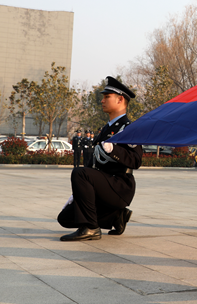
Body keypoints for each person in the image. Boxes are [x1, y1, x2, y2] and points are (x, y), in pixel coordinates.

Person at [58, 76, 143, 241]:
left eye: (106, 97)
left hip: (119, 186)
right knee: (65, 218)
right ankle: (116, 216)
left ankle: (91, 228)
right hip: (103, 186)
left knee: (79, 173)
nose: (102, 100)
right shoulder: (106, 129)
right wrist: (78, 192)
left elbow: (136, 161)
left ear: (120, 99)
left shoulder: (129, 128)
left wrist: (114, 151)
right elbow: (94, 163)